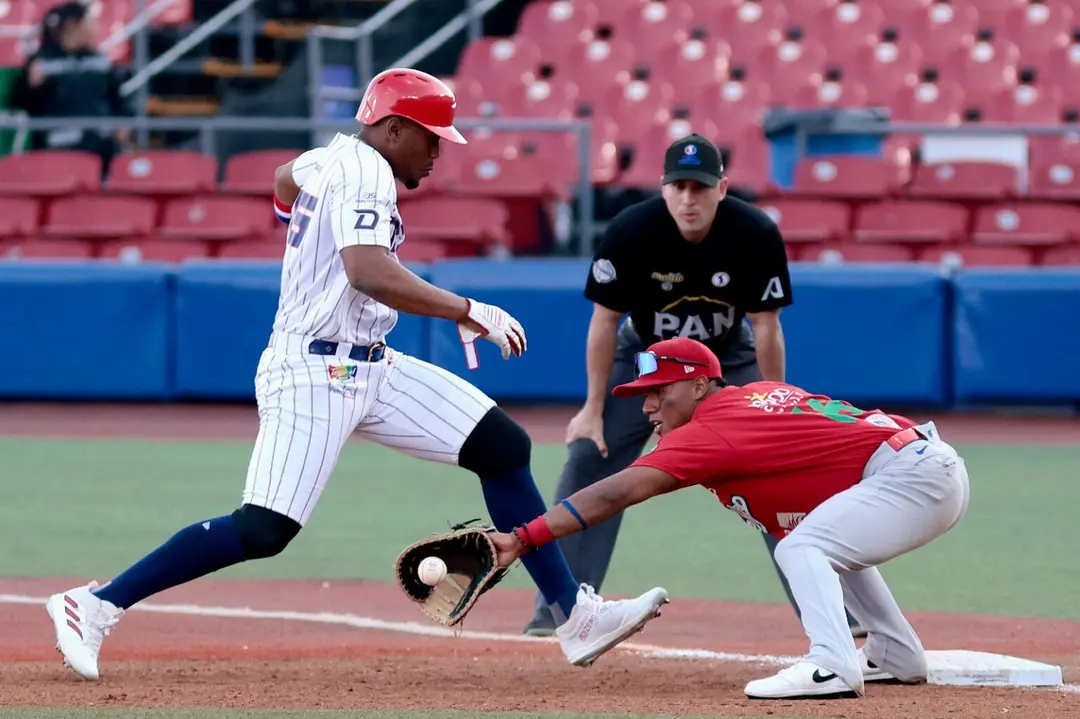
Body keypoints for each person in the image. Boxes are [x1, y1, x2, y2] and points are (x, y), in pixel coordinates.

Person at [44, 67, 668, 681]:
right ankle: (94, 605)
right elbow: (370, 271)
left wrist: (298, 201)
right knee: (263, 528)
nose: (438, 153)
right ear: (394, 129)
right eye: (431, 137)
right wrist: (468, 309)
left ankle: (574, 617)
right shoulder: (366, 171)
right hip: (313, 370)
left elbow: (282, 180)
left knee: (503, 448)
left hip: (372, 363)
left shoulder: (337, 157)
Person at [493, 337, 971, 700]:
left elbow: (616, 491)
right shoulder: (754, 395)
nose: (647, 406)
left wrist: (525, 536)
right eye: (644, 393)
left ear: (700, 385)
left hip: (913, 476)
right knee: (819, 539)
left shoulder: (709, 428)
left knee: (802, 547)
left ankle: (832, 666)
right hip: (923, 463)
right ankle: (894, 653)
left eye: (660, 390)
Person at [523, 133, 863, 638]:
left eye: (699, 187)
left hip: (728, 354)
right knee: (589, 456)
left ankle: (841, 615)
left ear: (722, 188)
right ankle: (560, 611)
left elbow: (766, 326)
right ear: (663, 190)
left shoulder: (754, 233)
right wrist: (593, 407)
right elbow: (604, 322)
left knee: (778, 471)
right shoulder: (631, 231)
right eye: (678, 186)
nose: (688, 198)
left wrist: (778, 406)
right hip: (645, 357)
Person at [9, 1, 132, 176]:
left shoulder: (99, 60)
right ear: (72, 26)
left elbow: (118, 100)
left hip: (102, 144)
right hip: (58, 145)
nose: (95, 27)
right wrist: (32, 86)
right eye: (89, 21)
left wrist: (123, 123)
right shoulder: (41, 62)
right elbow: (19, 104)